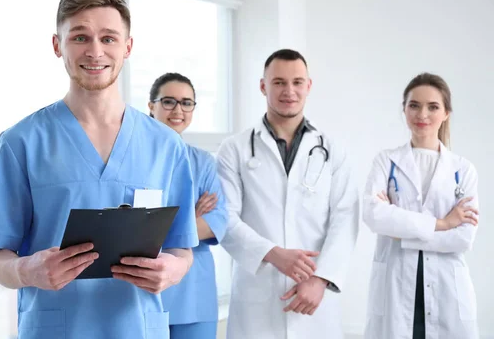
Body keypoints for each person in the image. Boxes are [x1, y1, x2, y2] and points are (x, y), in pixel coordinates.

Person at [0, 0, 198, 339]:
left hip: (139, 329)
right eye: (80, 37)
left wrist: (174, 269)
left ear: (127, 47)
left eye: (109, 38)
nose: (95, 51)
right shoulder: (21, 142)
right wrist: (27, 271)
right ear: (57, 45)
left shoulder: (166, 145)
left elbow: (181, 248)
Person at [216, 49, 359, 339]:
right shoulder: (234, 149)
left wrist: (320, 279)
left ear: (309, 86)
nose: (289, 91)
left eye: (297, 82)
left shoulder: (332, 150)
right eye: (279, 82)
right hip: (257, 297)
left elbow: (345, 219)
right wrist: (273, 254)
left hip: (314, 298)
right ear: (262, 86)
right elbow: (224, 219)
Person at [363, 73, 480, 339]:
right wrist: (443, 223)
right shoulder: (386, 161)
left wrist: (400, 229)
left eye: (433, 106)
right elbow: (374, 216)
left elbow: (463, 238)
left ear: (446, 113)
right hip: (395, 288)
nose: (422, 114)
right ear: (404, 109)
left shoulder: (463, 170)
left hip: (447, 289)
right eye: (414, 105)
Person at [147, 72, 228, 339]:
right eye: (168, 101)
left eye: (187, 102)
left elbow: (217, 222)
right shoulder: (130, 159)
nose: (178, 110)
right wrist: (190, 218)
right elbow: (125, 226)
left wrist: (157, 228)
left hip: (194, 292)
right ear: (151, 106)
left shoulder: (202, 162)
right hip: (143, 289)